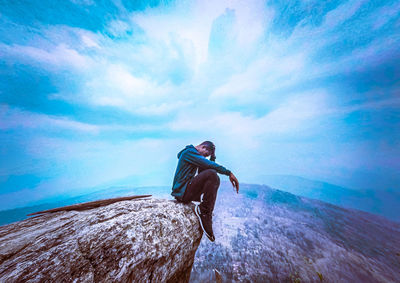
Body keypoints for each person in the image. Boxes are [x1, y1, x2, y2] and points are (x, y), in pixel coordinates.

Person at [171, 141, 239, 242]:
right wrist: (229, 173)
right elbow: (209, 167)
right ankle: (205, 212)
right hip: (182, 192)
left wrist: (213, 156)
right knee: (211, 174)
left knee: (212, 174)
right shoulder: (189, 153)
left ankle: (206, 211)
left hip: (185, 191)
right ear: (203, 147)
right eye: (206, 154)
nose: (205, 157)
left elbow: (208, 168)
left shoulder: (192, 155)